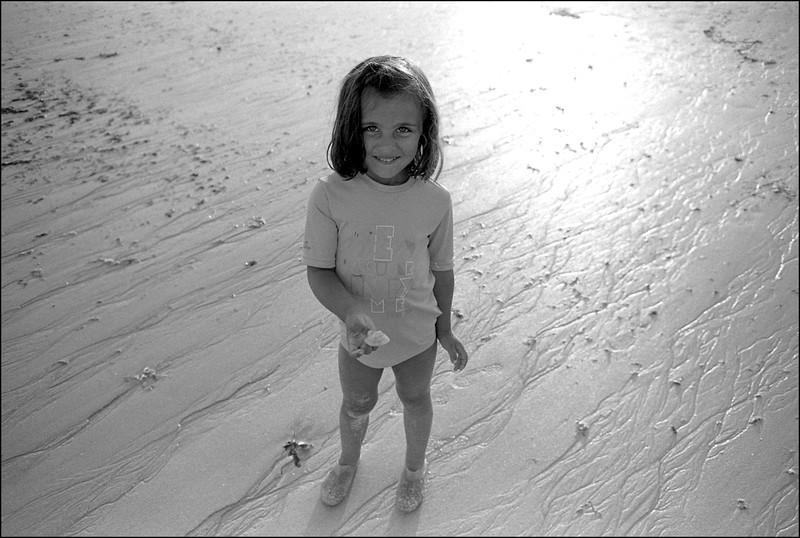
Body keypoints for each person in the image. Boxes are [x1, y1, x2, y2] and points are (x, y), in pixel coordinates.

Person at [302, 55, 469, 513]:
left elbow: (443, 270)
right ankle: (347, 462)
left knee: (416, 398)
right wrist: (351, 312)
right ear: (351, 128)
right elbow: (319, 270)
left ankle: (414, 468)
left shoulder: (435, 201)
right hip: (358, 337)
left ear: (424, 132)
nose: (387, 143)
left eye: (403, 129)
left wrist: (445, 330)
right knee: (357, 403)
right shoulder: (330, 194)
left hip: (416, 333)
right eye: (372, 128)